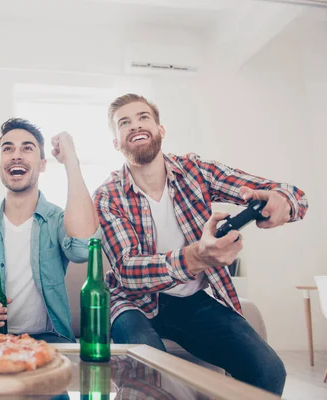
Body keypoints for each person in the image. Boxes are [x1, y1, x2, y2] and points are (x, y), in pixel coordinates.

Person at [93, 94, 308, 395]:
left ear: (160, 130)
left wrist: (284, 201)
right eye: (124, 123)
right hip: (132, 303)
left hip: (191, 300)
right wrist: (198, 257)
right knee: (148, 378)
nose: (135, 125)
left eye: (143, 117)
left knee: (268, 371)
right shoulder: (107, 195)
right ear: (116, 142)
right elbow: (128, 270)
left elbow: (282, 191)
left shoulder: (195, 170)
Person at [0, 118, 100, 343]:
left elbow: (84, 249)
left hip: (49, 340)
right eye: (8, 149)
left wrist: (71, 162)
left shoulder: (58, 221)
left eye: (27, 148)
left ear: (43, 164)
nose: (16, 155)